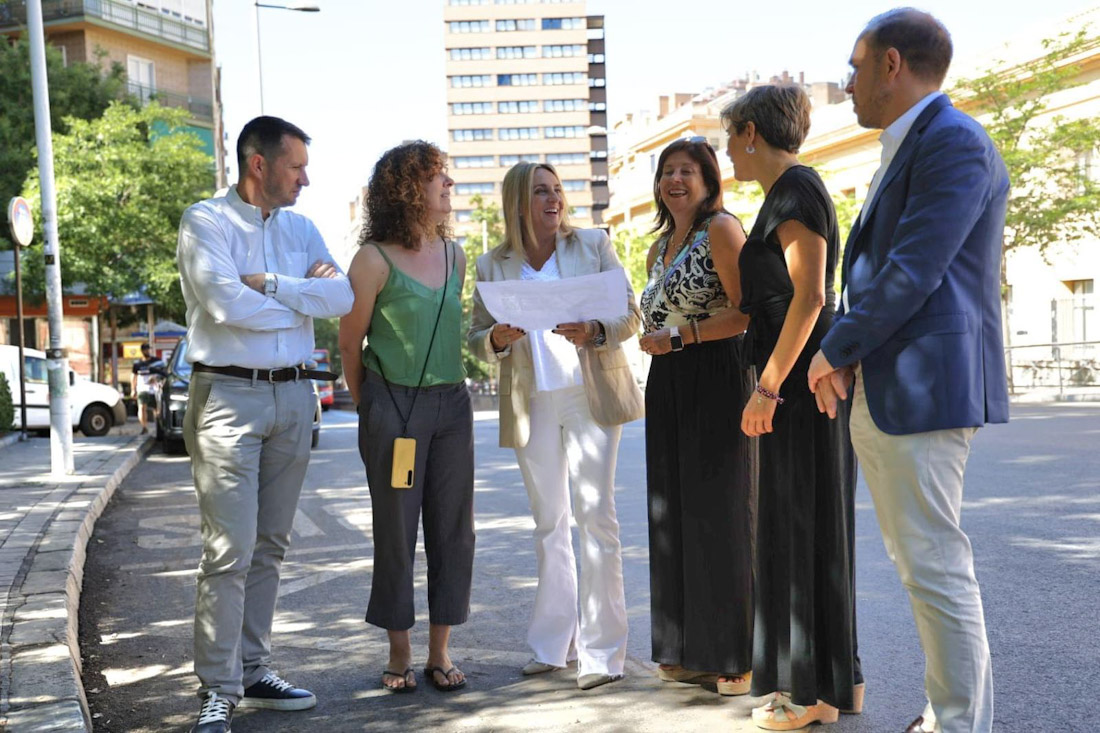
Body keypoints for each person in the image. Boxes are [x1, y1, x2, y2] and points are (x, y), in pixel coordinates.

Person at [808, 10, 1009, 733]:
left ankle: (958, 723)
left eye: (855, 67)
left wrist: (834, 349)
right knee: (925, 566)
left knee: (934, 567)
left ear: (893, 64)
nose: (849, 82)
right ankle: (945, 714)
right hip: (896, 384)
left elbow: (912, 271)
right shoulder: (914, 143)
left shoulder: (953, 142)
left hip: (924, 387)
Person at [176, 116, 353, 733]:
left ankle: (252, 670)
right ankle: (218, 689)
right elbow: (225, 303)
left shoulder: (303, 228)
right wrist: (299, 301)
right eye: (296, 166)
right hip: (228, 396)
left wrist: (276, 286)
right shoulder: (206, 222)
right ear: (259, 164)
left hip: (295, 398)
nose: (307, 178)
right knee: (228, 552)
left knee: (271, 548)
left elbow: (343, 298)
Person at [468, 162, 642, 691]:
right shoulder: (492, 263)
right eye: (542, 191)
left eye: (558, 190)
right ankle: (552, 647)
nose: (554, 199)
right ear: (519, 202)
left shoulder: (591, 245)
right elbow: (476, 336)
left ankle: (602, 653)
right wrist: (497, 338)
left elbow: (630, 315)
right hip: (533, 401)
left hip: (588, 395)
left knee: (596, 518)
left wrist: (593, 328)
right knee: (550, 524)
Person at [720, 85, 862, 730]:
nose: (728, 151)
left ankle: (809, 694)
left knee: (801, 527)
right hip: (801, 378)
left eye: (729, 137)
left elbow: (809, 298)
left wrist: (768, 387)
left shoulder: (796, 191)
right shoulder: (789, 193)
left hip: (798, 382)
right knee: (816, 526)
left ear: (750, 131)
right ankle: (838, 683)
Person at [338, 141, 475, 695]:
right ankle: (400, 651)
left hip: (453, 406)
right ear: (406, 188)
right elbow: (350, 345)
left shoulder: (456, 254)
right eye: (436, 177)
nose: (447, 185)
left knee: (454, 532)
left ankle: (440, 652)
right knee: (397, 534)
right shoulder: (372, 260)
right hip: (392, 407)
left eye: (446, 176)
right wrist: (371, 408)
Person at [636, 138, 756, 697]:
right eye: (667, 172)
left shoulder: (722, 230)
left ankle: (734, 653)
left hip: (716, 374)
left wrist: (681, 335)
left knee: (720, 512)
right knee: (672, 513)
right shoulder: (659, 246)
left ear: (709, 180)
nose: (675, 180)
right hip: (668, 382)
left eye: (687, 171)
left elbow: (747, 313)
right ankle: (682, 648)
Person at [131, 342, 163, 434]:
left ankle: (158, 427)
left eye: (148, 349)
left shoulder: (157, 361)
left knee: (156, 409)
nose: (147, 351)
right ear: (142, 351)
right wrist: (133, 389)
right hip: (142, 388)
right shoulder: (137, 364)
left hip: (154, 389)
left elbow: (163, 373)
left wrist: (156, 378)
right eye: (145, 349)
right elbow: (133, 376)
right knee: (141, 407)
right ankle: (144, 427)